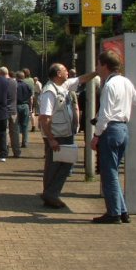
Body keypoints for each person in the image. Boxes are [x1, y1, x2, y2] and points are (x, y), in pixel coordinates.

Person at [90, 49, 136, 224]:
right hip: (123, 129)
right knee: (114, 171)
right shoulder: (126, 82)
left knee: (109, 173)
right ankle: (122, 211)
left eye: (98, 64)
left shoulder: (109, 85)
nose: (97, 67)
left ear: (105, 65)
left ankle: (113, 213)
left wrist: (96, 135)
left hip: (110, 130)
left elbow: (104, 114)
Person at [39, 63, 96, 208]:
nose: (68, 72)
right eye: (65, 70)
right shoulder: (49, 91)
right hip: (57, 135)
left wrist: (96, 72)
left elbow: (81, 79)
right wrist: (51, 139)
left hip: (64, 133)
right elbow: (44, 118)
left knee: (64, 164)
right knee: (55, 166)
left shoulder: (63, 86)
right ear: (58, 73)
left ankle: (50, 194)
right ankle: (50, 194)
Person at [0, 67, 21, 157]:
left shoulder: (1, 83)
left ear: (0, 74)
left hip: (4, 110)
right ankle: (17, 152)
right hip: (14, 110)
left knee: (5, 132)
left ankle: (5, 151)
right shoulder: (14, 82)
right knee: (15, 132)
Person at [15, 71, 33, 149]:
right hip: (25, 106)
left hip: (16, 105)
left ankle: (17, 142)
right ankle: (24, 142)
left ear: (17, 77)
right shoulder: (27, 86)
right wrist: (30, 108)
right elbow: (30, 98)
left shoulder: (15, 85)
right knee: (25, 125)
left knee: (17, 125)